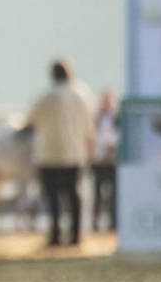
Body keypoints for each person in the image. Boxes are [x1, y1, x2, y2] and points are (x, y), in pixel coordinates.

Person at [28, 60, 95, 247]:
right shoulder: (81, 95)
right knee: (74, 195)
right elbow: (89, 128)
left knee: (53, 196)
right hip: (74, 153)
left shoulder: (45, 96)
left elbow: (31, 120)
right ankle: (75, 235)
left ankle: (55, 235)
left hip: (48, 154)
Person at [91, 90, 119, 232]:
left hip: (113, 161)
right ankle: (95, 223)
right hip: (99, 160)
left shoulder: (117, 118)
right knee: (97, 194)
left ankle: (113, 223)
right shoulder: (96, 118)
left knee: (113, 194)